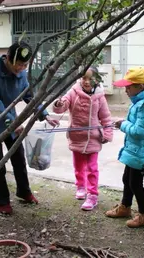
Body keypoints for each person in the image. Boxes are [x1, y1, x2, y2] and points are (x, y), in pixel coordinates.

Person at [0, 41, 59, 215]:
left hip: (12, 121)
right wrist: (13, 123)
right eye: (19, 64)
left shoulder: (22, 74)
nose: (21, 68)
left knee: (19, 158)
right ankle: (3, 201)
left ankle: (24, 192)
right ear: (8, 59)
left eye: (25, 65)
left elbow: (30, 97)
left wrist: (45, 114)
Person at [104, 67, 144, 228]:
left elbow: (139, 132)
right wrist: (124, 123)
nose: (125, 90)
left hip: (142, 150)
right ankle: (125, 207)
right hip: (136, 149)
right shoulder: (142, 101)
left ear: (140, 87)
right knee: (127, 179)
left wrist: (123, 124)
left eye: (129, 86)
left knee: (135, 184)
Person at [53, 67, 113, 211]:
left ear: (97, 80)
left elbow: (106, 117)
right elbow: (62, 106)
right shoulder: (73, 92)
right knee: (79, 166)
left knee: (92, 168)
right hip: (76, 136)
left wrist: (107, 133)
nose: (86, 81)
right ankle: (80, 186)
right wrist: (58, 104)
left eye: (90, 78)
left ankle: (92, 195)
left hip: (93, 137)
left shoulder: (100, 96)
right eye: (84, 78)